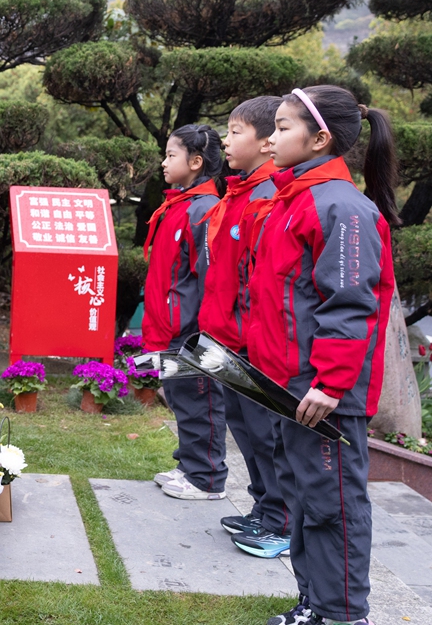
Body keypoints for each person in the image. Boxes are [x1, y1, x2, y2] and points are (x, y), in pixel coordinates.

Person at [249, 86, 398, 625]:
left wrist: (331, 384)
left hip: (323, 395)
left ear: (320, 138)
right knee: (305, 501)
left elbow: (350, 304)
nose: (271, 139)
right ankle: (316, 603)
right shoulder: (292, 201)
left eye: (283, 128)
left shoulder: (341, 207)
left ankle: (342, 615)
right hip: (290, 387)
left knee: (333, 507)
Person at [196, 96, 292, 557]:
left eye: (235, 131)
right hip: (225, 339)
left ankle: (280, 521)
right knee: (246, 431)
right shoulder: (237, 194)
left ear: (266, 140)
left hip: (251, 344)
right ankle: (263, 509)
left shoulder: (267, 195)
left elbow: (261, 281)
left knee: (267, 435)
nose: (226, 140)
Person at [144, 124, 227, 500]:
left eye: (171, 155)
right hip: (172, 328)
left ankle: (207, 478)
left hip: (191, 332)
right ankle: (188, 464)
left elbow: (210, 278)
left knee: (200, 402)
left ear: (195, 162)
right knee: (181, 399)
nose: (164, 162)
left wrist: (199, 333)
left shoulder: (205, 210)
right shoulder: (181, 205)